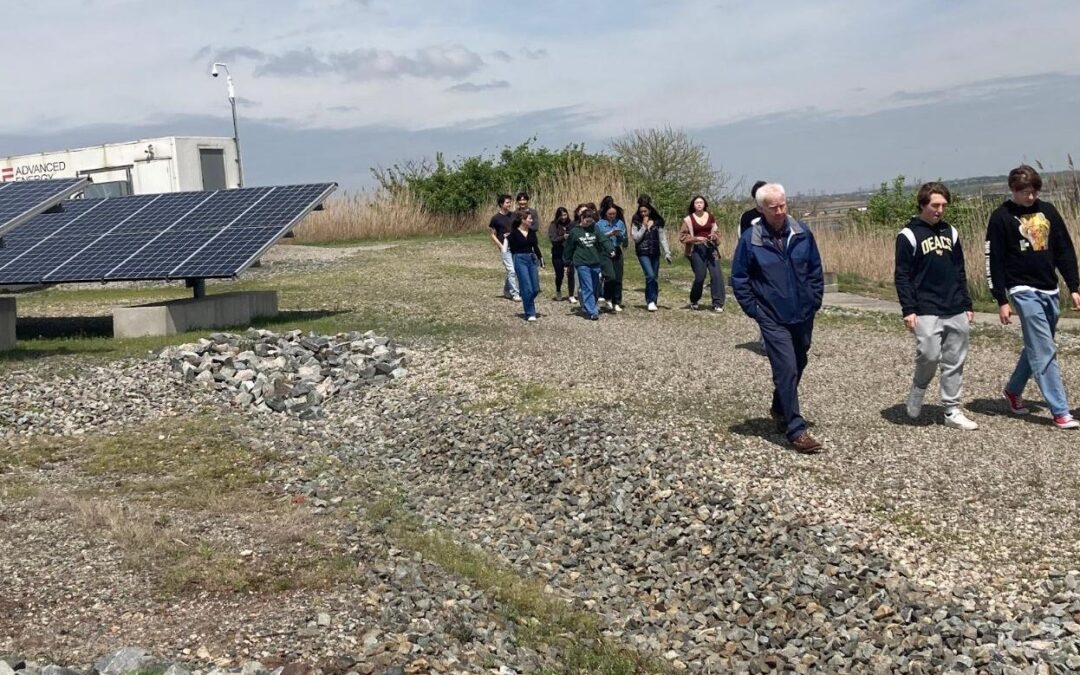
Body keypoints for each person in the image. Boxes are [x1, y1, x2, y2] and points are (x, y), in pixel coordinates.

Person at [731, 183, 825, 454]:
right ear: (761, 209)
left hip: (804, 312)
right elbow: (739, 278)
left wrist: (815, 298)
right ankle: (795, 430)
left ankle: (779, 405)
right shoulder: (751, 239)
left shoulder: (802, 232)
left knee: (800, 360)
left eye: (783, 205)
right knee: (786, 368)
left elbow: (815, 268)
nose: (780, 211)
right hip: (772, 316)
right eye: (773, 208)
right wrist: (755, 311)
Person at [986, 164, 1080, 429]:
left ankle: (1014, 390)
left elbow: (1064, 249)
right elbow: (993, 260)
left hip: (1049, 288)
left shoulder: (1047, 211)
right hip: (1022, 290)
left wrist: (1073, 286)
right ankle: (1060, 410)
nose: (1030, 196)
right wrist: (1001, 299)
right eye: (1024, 192)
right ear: (1013, 190)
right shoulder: (1001, 217)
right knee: (1045, 349)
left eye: (1034, 191)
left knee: (1037, 346)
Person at [894, 182, 978, 430]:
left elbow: (960, 270)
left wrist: (967, 303)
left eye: (943, 205)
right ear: (922, 204)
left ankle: (951, 409)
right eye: (935, 205)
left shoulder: (951, 232)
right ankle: (919, 387)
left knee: (955, 359)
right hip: (925, 307)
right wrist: (908, 309)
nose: (940, 210)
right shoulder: (908, 235)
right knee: (929, 355)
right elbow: (902, 275)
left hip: (954, 305)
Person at [563, 208, 614, 320]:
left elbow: (603, 240)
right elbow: (568, 248)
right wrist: (566, 263)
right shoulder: (575, 232)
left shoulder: (595, 229)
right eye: (587, 221)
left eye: (591, 221)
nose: (589, 223)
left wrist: (610, 249)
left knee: (596, 287)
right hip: (582, 263)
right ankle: (592, 311)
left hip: (595, 262)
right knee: (588, 287)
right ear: (582, 218)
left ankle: (589, 305)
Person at [678, 195, 726, 311]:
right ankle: (694, 300)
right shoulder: (688, 219)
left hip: (711, 248)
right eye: (696, 203)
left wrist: (714, 236)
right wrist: (695, 239)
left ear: (704, 204)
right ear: (693, 205)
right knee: (700, 276)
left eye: (701, 202)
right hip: (697, 249)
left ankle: (718, 303)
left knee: (716, 275)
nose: (699, 204)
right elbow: (682, 237)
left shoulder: (711, 217)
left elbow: (717, 232)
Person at [631, 201, 672, 311]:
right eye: (641, 212)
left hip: (655, 252)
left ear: (650, 210)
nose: (643, 213)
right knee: (650, 275)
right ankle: (650, 301)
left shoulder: (657, 223)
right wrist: (644, 226)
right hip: (642, 252)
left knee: (654, 277)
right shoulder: (636, 222)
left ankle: (653, 300)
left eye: (645, 211)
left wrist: (667, 253)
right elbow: (636, 238)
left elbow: (662, 239)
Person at [506, 208, 544, 321]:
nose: (531, 220)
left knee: (535, 288)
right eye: (529, 218)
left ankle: (526, 297)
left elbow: (535, 246)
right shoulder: (513, 234)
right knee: (527, 286)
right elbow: (510, 250)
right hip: (520, 259)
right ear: (522, 220)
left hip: (532, 259)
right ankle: (530, 313)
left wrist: (541, 258)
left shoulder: (532, 232)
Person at [489, 193, 520, 301]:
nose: (509, 204)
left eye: (510, 202)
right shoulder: (495, 218)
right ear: (501, 204)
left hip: (515, 245)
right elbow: (492, 234)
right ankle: (515, 293)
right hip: (505, 246)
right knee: (511, 270)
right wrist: (501, 245)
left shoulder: (514, 215)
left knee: (513, 269)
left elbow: (518, 229)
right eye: (507, 202)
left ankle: (507, 290)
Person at [597, 204, 628, 312]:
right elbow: (598, 239)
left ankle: (616, 302)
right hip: (604, 251)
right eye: (610, 214)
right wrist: (609, 234)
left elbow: (623, 238)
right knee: (610, 276)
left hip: (616, 250)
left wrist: (619, 235)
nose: (612, 216)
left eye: (614, 214)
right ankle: (607, 298)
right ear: (605, 213)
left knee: (618, 277)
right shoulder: (599, 224)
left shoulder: (619, 223)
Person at [548, 207, 576, 302]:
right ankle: (558, 290)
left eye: (565, 215)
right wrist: (563, 237)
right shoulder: (553, 225)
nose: (563, 217)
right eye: (561, 215)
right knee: (559, 274)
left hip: (569, 253)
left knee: (570, 273)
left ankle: (571, 295)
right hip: (558, 253)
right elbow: (553, 239)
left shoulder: (572, 224)